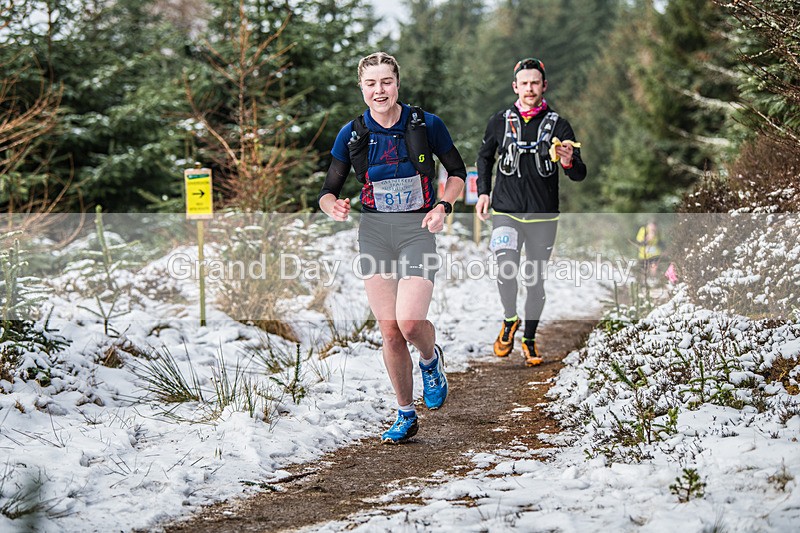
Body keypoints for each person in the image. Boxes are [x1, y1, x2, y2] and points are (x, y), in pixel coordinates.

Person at [318, 52, 466, 444]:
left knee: (411, 323)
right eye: (371, 83)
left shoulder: (425, 124)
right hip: (375, 233)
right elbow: (327, 192)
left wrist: (443, 205)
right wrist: (333, 206)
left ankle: (431, 362)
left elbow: (457, 174)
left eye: (386, 82)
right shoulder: (352, 134)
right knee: (390, 332)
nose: (379, 90)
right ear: (361, 88)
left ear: (397, 83)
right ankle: (405, 413)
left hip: (417, 229)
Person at [475, 57, 586, 366]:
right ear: (515, 87)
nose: (529, 88)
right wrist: (483, 192)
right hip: (506, 212)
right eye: (524, 83)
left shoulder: (559, 124)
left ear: (544, 86)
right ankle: (510, 319)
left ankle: (529, 339)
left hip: (543, 216)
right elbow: (484, 158)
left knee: (534, 279)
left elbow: (579, 173)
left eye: (535, 83)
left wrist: (567, 161)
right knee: (506, 269)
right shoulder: (499, 121)